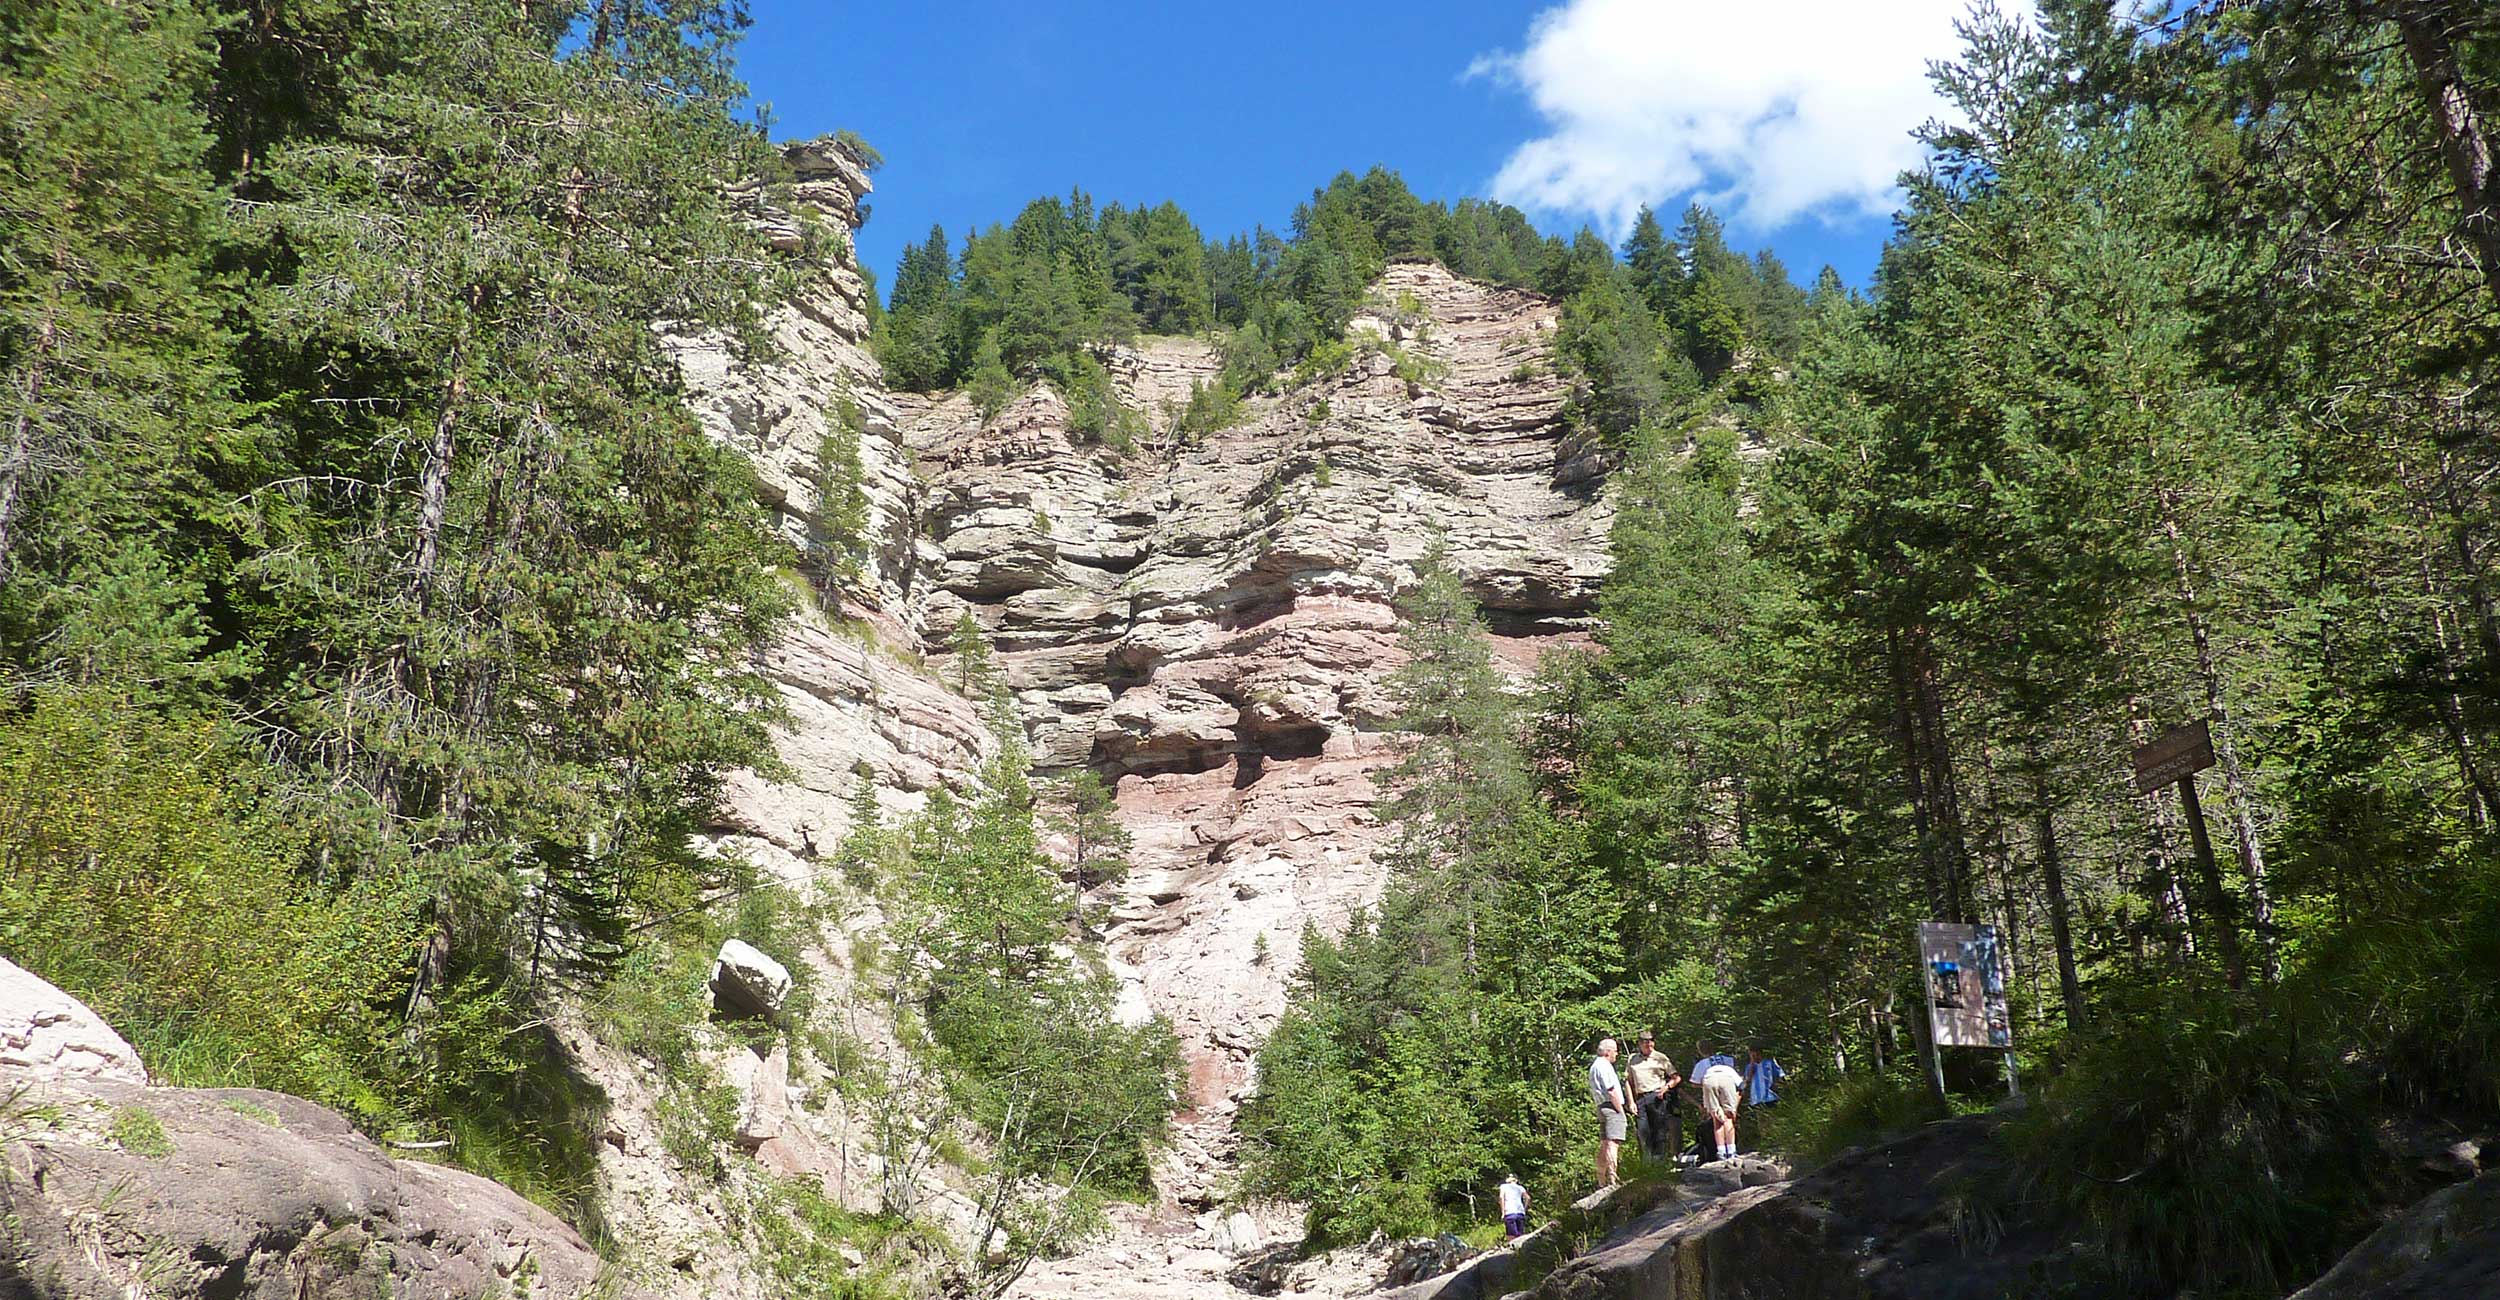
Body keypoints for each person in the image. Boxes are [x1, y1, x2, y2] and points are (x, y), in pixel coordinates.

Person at [1624, 1032, 1682, 1165]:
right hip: (1640, 1097)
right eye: (1645, 1042)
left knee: (1659, 1130)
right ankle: (1646, 1162)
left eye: (1651, 1042)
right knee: (1643, 1130)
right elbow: (1628, 1081)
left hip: (1656, 1096)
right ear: (1640, 1044)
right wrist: (1631, 1101)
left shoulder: (1660, 1057)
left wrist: (1666, 1087)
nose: (1648, 1045)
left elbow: (1676, 1077)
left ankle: (1659, 1161)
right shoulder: (1633, 1059)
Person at [1587, 1037, 1629, 1187]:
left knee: (1604, 1143)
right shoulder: (1604, 1066)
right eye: (1615, 1051)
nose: (1616, 1054)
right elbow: (1611, 1090)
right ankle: (1613, 1179)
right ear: (1608, 1052)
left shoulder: (1594, 1066)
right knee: (1613, 1143)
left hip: (1601, 1106)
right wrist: (1620, 1110)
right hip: (1611, 1106)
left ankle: (1601, 1181)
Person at [1694, 1044, 1744, 1163]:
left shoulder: (1701, 1064)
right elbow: (1741, 1086)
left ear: (1700, 1051)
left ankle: (1721, 1152)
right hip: (1727, 1078)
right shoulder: (1728, 1060)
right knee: (1728, 1118)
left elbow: (1694, 1082)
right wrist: (1734, 1105)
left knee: (1717, 1119)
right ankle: (1731, 1151)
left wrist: (1706, 1088)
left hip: (1709, 1078)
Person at [1498, 1172, 1531, 1239]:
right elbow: (1528, 1198)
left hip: (1509, 1212)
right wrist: (1524, 1209)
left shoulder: (1503, 1186)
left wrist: (1503, 1212)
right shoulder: (1520, 1188)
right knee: (1520, 1236)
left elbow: (1501, 1197)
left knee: (1511, 1236)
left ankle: (1512, 1248)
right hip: (1520, 1213)